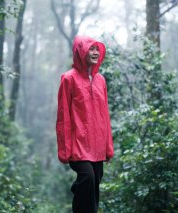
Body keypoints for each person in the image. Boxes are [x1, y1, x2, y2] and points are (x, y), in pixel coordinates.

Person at [56, 35, 114, 213]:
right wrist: (64, 150)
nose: (95, 52)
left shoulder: (101, 80)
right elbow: (63, 116)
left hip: (97, 145)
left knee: (95, 182)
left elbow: (105, 115)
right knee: (87, 178)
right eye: (91, 49)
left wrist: (108, 147)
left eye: (97, 49)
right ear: (80, 51)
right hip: (78, 145)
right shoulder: (68, 79)